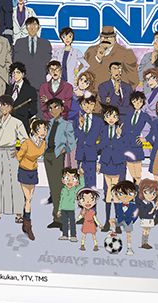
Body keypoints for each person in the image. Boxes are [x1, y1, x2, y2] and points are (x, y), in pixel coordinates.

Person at [0, 94, 28, 222]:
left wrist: (19, 151)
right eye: (1, 105)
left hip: (11, 153)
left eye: (6, 105)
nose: (3, 108)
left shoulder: (17, 122)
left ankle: (19, 213)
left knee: (14, 183)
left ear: (11, 107)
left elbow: (25, 140)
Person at [43, 98, 77, 230]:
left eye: (56, 107)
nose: (53, 110)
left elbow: (72, 143)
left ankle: (63, 219)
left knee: (60, 189)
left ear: (62, 109)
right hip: (48, 156)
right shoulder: (49, 123)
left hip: (58, 156)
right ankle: (56, 218)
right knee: (53, 189)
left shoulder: (67, 124)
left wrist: (65, 149)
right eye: (50, 108)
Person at [15, 118, 48, 240]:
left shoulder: (43, 143)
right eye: (40, 129)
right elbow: (18, 157)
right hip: (24, 170)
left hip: (33, 171)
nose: (43, 132)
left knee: (29, 199)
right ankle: (28, 225)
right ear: (34, 131)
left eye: (45, 129)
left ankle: (25, 222)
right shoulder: (27, 143)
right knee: (28, 199)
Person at [97, 106, 125, 231]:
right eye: (108, 116)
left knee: (115, 191)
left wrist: (118, 136)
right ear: (104, 118)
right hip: (106, 161)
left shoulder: (121, 129)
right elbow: (102, 146)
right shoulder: (103, 129)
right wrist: (99, 162)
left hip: (117, 162)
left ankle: (117, 223)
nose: (111, 119)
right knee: (109, 190)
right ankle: (107, 222)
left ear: (118, 118)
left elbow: (123, 146)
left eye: (114, 116)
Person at [120, 91, 152, 182]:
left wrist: (146, 138)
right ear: (132, 102)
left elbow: (154, 128)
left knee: (137, 174)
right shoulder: (128, 115)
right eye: (134, 101)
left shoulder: (145, 116)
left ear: (143, 103)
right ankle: (135, 188)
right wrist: (120, 133)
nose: (137, 103)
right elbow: (124, 128)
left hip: (136, 144)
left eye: (139, 101)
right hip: (126, 145)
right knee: (132, 172)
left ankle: (138, 188)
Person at [73, 94, 102, 190]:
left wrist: (97, 150)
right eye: (85, 104)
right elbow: (76, 136)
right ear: (81, 106)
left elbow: (103, 138)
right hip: (80, 153)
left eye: (90, 104)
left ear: (94, 105)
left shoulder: (99, 121)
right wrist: (80, 126)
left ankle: (92, 199)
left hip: (92, 154)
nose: (88, 107)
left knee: (91, 180)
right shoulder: (77, 120)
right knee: (81, 180)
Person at [12, 16, 52, 85]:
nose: (32, 27)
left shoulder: (46, 43)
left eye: (35, 25)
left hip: (40, 80)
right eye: (29, 25)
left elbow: (48, 62)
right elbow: (15, 61)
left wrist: (40, 72)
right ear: (26, 27)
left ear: (38, 27)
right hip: (24, 81)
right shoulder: (19, 42)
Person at [110, 180, 139, 255]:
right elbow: (118, 213)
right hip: (120, 220)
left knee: (128, 235)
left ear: (135, 194)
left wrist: (132, 221)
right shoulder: (119, 205)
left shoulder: (133, 206)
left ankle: (129, 248)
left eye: (130, 194)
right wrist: (118, 219)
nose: (125, 196)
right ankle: (113, 232)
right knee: (111, 220)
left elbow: (136, 215)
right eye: (121, 194)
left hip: (128, 221)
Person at [7, 62, 38, 128]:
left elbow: (33, 110)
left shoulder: (30, 90)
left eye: (18, 72)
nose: (15, 75)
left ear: (23, 74)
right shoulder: (8, 89)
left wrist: (23, 116)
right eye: (13, 73)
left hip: (22, 124)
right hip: (9, 124)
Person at [136, 178, 158, 249]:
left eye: (154, 193)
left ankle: (145, 242)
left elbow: (153, 214)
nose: (151, 196)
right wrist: (154, 209)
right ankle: (144, 243)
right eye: (147, 192)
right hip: (145, 219)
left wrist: (156, 208)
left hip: (150, 220)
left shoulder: (150, 204)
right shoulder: (141, 204)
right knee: (145, 231)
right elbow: (146, 213)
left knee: (147, 231)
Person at [58, 168, 82, 242]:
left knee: (72, 223)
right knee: (64, 223)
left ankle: (73, 236)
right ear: (63, 180)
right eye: (67, 179)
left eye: (73, 179)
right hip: (63, 209)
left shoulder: (75, 189)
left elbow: (82, 185)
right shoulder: (63, 190)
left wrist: (81, 176)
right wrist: (59, 210)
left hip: (71, 209)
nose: (69, 181)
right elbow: (61, 200)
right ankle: (65, 235)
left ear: (77, 181)